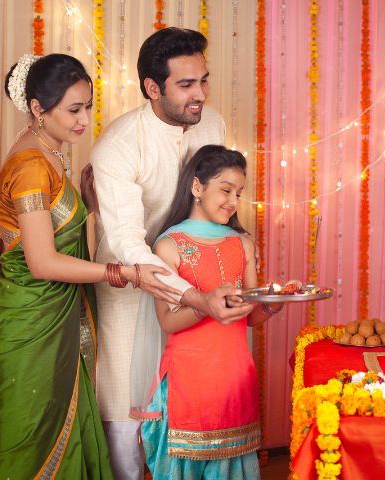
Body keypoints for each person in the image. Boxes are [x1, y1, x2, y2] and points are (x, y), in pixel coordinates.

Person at [0, 53, 166, 479]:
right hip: (30, 327)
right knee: (26, 446)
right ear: (39, 110)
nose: (84, 120)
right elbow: (43, 263)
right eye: (73, 110)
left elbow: (67, 242)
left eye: (88, 107)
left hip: (57, 320)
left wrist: (90, 208)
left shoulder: (49, 152)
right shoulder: (30, 167)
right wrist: (124, 273)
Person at [88, 28, 254, 479]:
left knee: (196, 391)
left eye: (204, 80)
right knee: (130, 397)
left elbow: (219, 199)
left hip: (202, 280)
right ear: (152, 88)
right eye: (186, 85)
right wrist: (193, 297)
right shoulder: (119, 145)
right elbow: (127, 239)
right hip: (133, 280)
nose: (200, 94)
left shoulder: (212, 123)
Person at [138, 145, 285, 479]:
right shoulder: (168, 246)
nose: (233, 201)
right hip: (190, 381)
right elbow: (167, 321)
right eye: (226, 190)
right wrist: (208, 306)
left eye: (239, 193)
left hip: (234, 377)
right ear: (197, 187)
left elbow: (249, 317)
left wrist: (273, 305)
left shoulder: (241, 242)